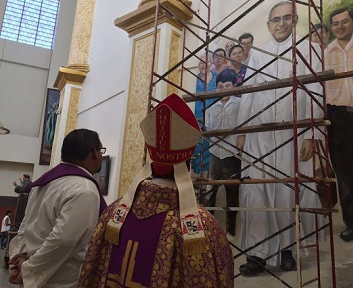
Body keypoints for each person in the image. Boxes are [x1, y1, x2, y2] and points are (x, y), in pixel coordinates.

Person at [78, 94, 234, 287]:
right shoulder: (203, 232)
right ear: (187, 164)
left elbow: (90, 274)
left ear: (151, 160)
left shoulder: (113, 215)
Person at [236, 1, 324, 276]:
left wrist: (312, 133)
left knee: (288, 191)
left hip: (292, 134)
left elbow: (317, 91)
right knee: (256, 192)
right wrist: (242, 131)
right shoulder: (258, 53)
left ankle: (288, 249)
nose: (281, 23)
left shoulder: (309, 49)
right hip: (260, 136)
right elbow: (248, 93)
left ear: (295, 20)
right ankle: (257, 254)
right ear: (268, 25)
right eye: (276, 20)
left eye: (287, 18)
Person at [8, 129, 107, 287]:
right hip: (59, 280)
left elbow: (26, 225)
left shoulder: (44, 182)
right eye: (101, 150)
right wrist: (29, 270)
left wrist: (25, 255)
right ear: (94, 153)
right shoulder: (85, 189)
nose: (101, 155)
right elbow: (63, 241)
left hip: (34, 270)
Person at [325, 6, 353, 242]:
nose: (340, 27)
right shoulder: (325, 53)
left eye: (344, 22)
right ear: (331, 27)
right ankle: (352, 222)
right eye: (335, 23)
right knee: (343, 173)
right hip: (337, 116)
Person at [205, 69, 241, 239]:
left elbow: (241, 129)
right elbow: (208, 129)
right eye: (220, 87)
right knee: (210, 190)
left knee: (232, 192)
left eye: (227, 86)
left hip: (232, 154)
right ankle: (209, 227)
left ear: (234, 86)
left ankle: (231, 229)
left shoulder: (239, 104)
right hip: (214, 153)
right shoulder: (211, 108)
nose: (224, 90)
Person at [191, 53, 218, 178]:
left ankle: (205, 182)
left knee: (208, 149)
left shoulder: (217, 78)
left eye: (207, 62)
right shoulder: (194, 79)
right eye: (201, 62)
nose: (203, 65)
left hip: (213, 119)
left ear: (211, 64)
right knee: (196, 148)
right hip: (196, 120)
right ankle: (195, 179)